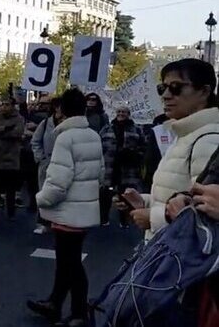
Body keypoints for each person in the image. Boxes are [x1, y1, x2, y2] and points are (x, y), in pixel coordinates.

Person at [115, 59, 219, 241]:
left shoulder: (207, 139)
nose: (166, 95)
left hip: (181, 260)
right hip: (166, 249)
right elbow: (178, 194)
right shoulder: (185, 134)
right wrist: (144, 201)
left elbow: (206, 214)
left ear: (204, 91)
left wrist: (154, 218)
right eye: (162, 88)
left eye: (176, 87)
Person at [28, 88, 104, 327]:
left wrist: (40, 200)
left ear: (62, 110)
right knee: (67, 261)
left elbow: (58, 182)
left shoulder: (65, 137)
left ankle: (79, 312)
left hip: (67, 210)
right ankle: (54, 303)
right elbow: (100, 173)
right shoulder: (93, 135)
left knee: (70, 263)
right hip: (84, 208)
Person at [99, 105, 145, 228]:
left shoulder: (137, 129)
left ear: (128, 114)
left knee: (125, 194)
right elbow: (99, 146)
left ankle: (124, 219)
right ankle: (103, 218)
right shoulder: (106, 128)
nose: (121, 114)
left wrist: (134, 155)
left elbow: (144, 147)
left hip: (128, 169)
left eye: (124, 112)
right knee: (105, 193)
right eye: (119, 111)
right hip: (109, 167)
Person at [0, 98, 25, 220]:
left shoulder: (19, 119)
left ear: (13, 106)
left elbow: (17, 133)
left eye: (7, 104)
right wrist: (4, 129)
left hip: (11, 159)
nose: (4, 107)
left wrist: (0, 132)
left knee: (10, 189)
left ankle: (11, 212)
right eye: (2, 104)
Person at [31, 97, 64, 234]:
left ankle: (60, 221)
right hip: (47, 164)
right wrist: (40, 158)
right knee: (44, 194)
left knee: (62, 194)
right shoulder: (45, 123)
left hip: (64, 165)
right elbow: (35, 141)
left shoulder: (70, 124)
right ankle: (43, 223)